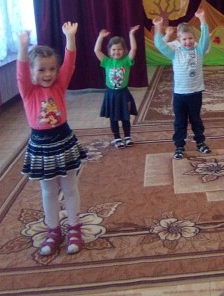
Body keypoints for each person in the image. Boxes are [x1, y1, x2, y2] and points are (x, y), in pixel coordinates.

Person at [17, 22, 87, 256]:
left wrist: (70, 37)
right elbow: (21, 69)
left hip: (63, 140)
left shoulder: (60, 84)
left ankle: (74, 227)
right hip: (41, 145)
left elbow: (70, 62)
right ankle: (53, 230)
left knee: (69, 187)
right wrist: (23, 47)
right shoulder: (28, 90)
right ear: (31, 72)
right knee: (48, 191)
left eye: (52, 69)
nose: (48, 74)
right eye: (41, 70)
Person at [153, 9, 212, 159]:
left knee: (196, 119)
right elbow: (160, 45)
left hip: (195, 92)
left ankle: (200, 142)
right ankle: (179, 146)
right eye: (184, 39)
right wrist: (158, 28)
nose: (188, 42)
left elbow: (205, 39)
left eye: (190, 38)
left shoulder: (199, 50)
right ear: (179, 40)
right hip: (180, 94)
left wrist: (202, 19)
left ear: (194, 38)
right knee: (180, 121)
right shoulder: (175, 52)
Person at [94, 25, 140, 149]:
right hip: (111, 95)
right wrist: (100, 37)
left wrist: (131, 34)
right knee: (113, 118)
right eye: (114, 49)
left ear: (124, 50)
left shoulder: (126, 61)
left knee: (125, 118)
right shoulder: (107, 61)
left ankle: (127, 136)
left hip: (123, 94)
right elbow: (97, 51)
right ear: (109, 51)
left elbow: (134, 49)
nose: (116, 52)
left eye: (119, 49)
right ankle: (117, 138)